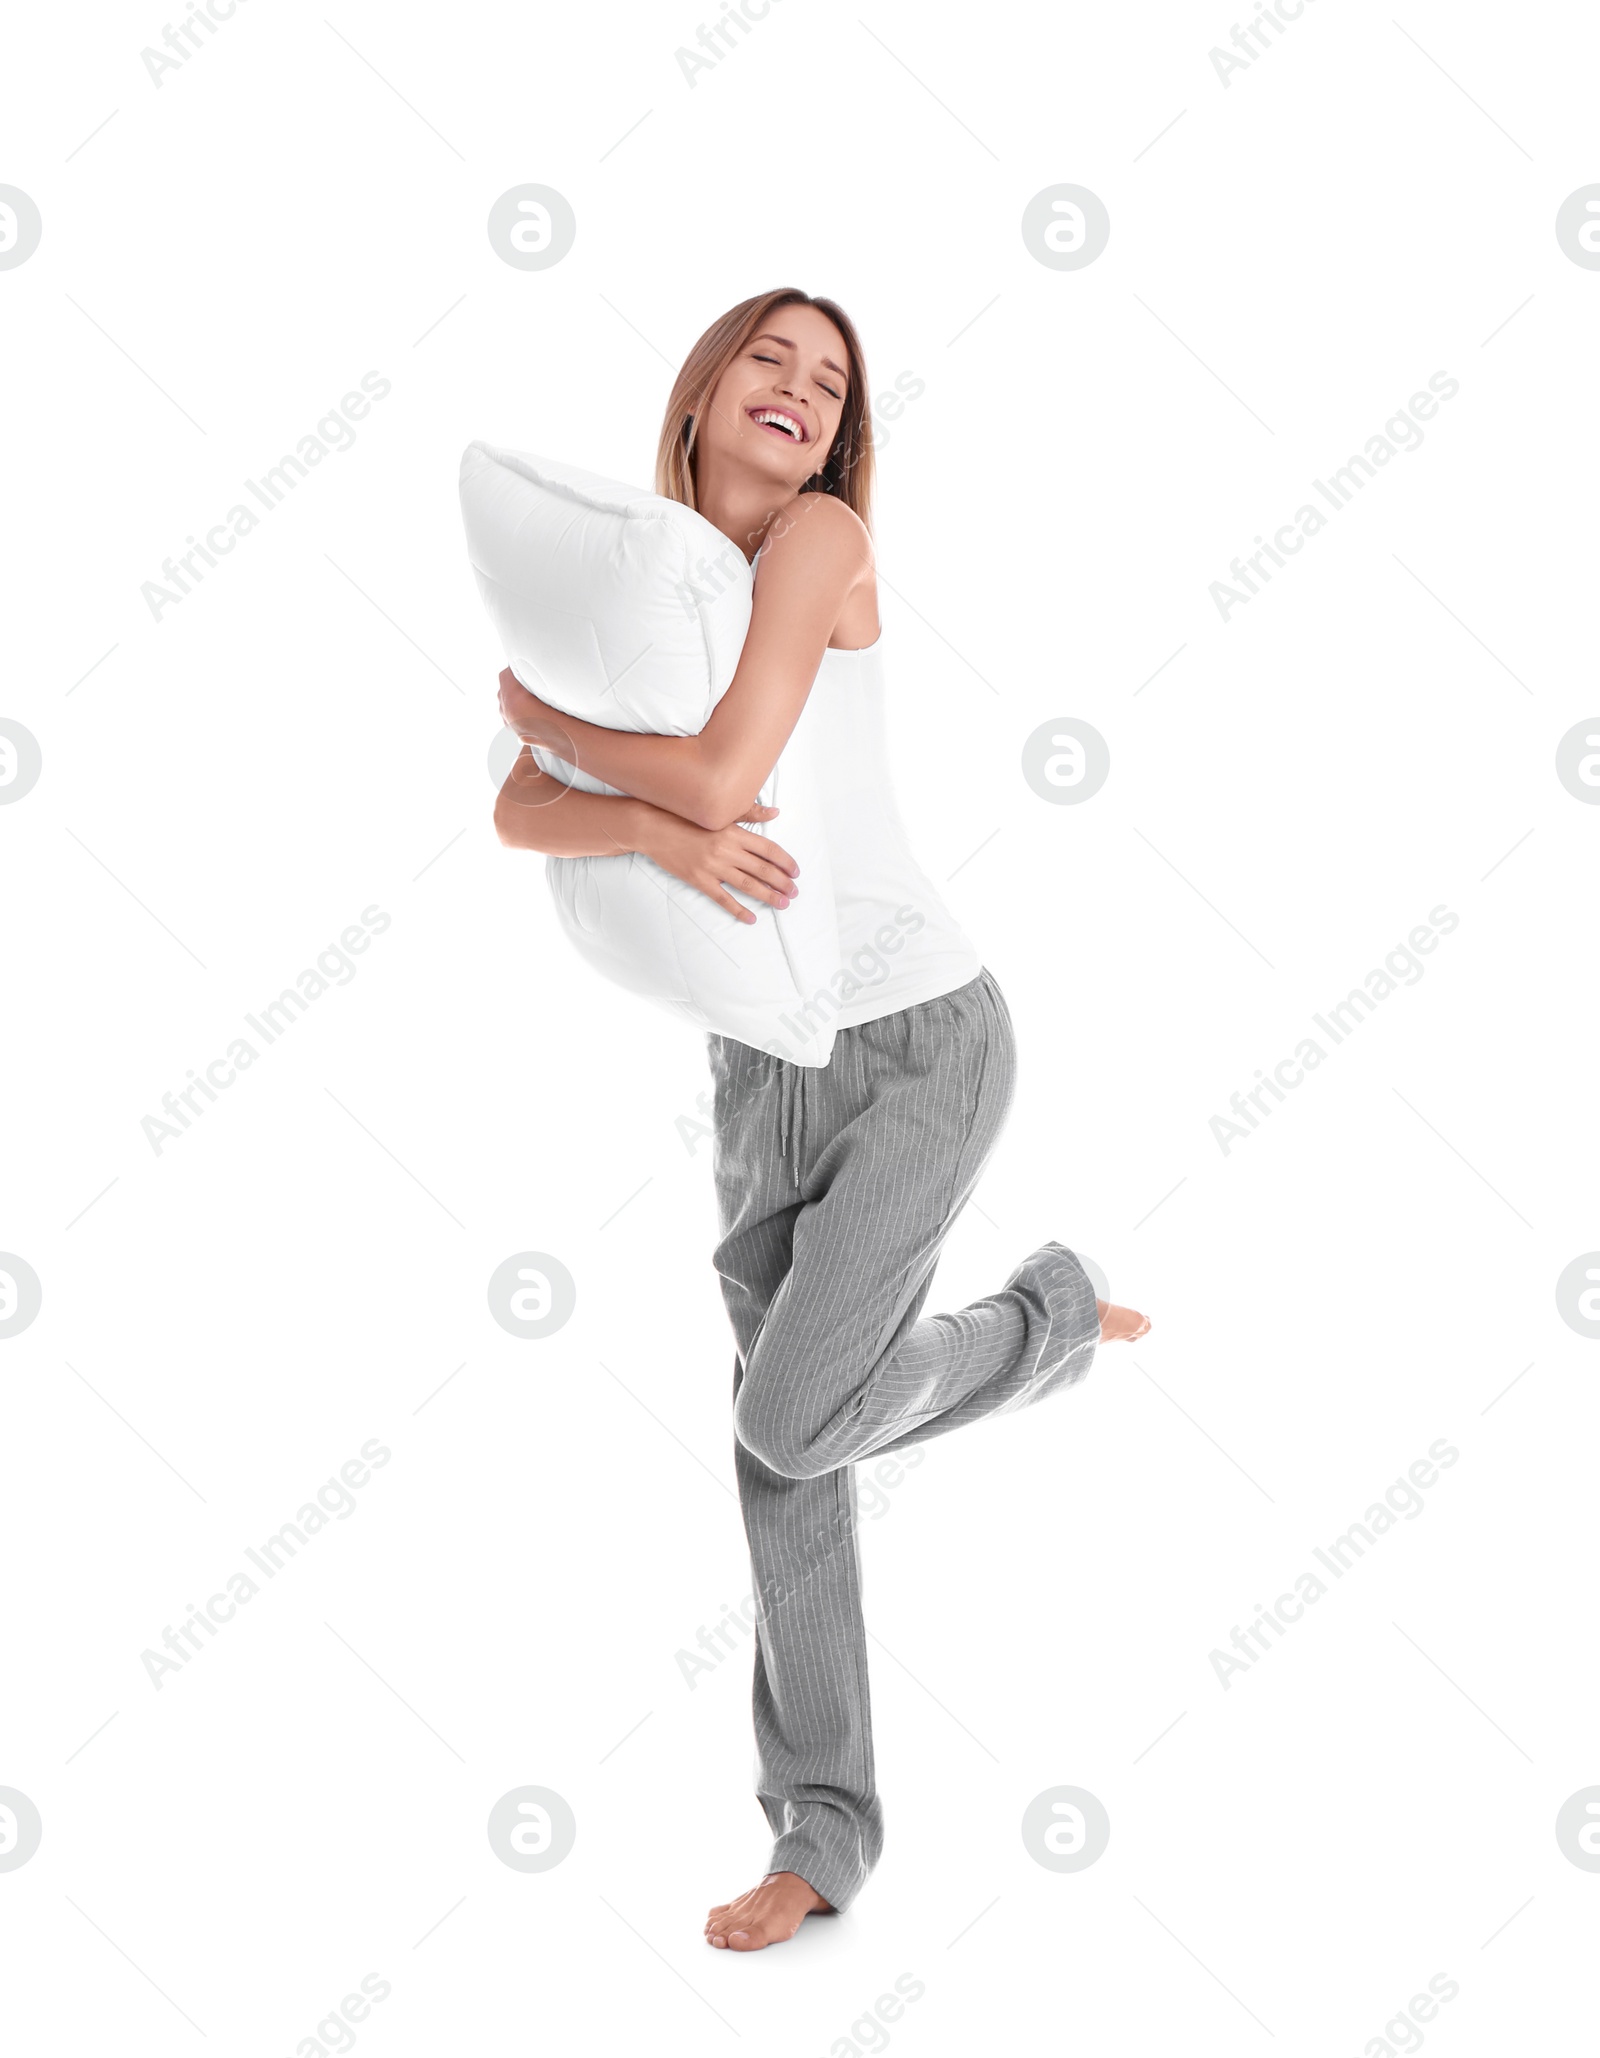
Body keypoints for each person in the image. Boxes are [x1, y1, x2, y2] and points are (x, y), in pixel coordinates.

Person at [493, 288, 1151, 1952]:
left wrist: (600, 777)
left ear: (839, 432)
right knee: (783, 1461)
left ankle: (1043, 1319)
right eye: (769, 361)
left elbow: (713, 779)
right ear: (705, 388)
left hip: (921, 1042)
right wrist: (622, 810)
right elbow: (511, 814)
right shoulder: (641, 579)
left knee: (790, 1419)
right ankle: (825, 1832)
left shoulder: (820, 539)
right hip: (755, 1065)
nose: (797, 389)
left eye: (830, 378)